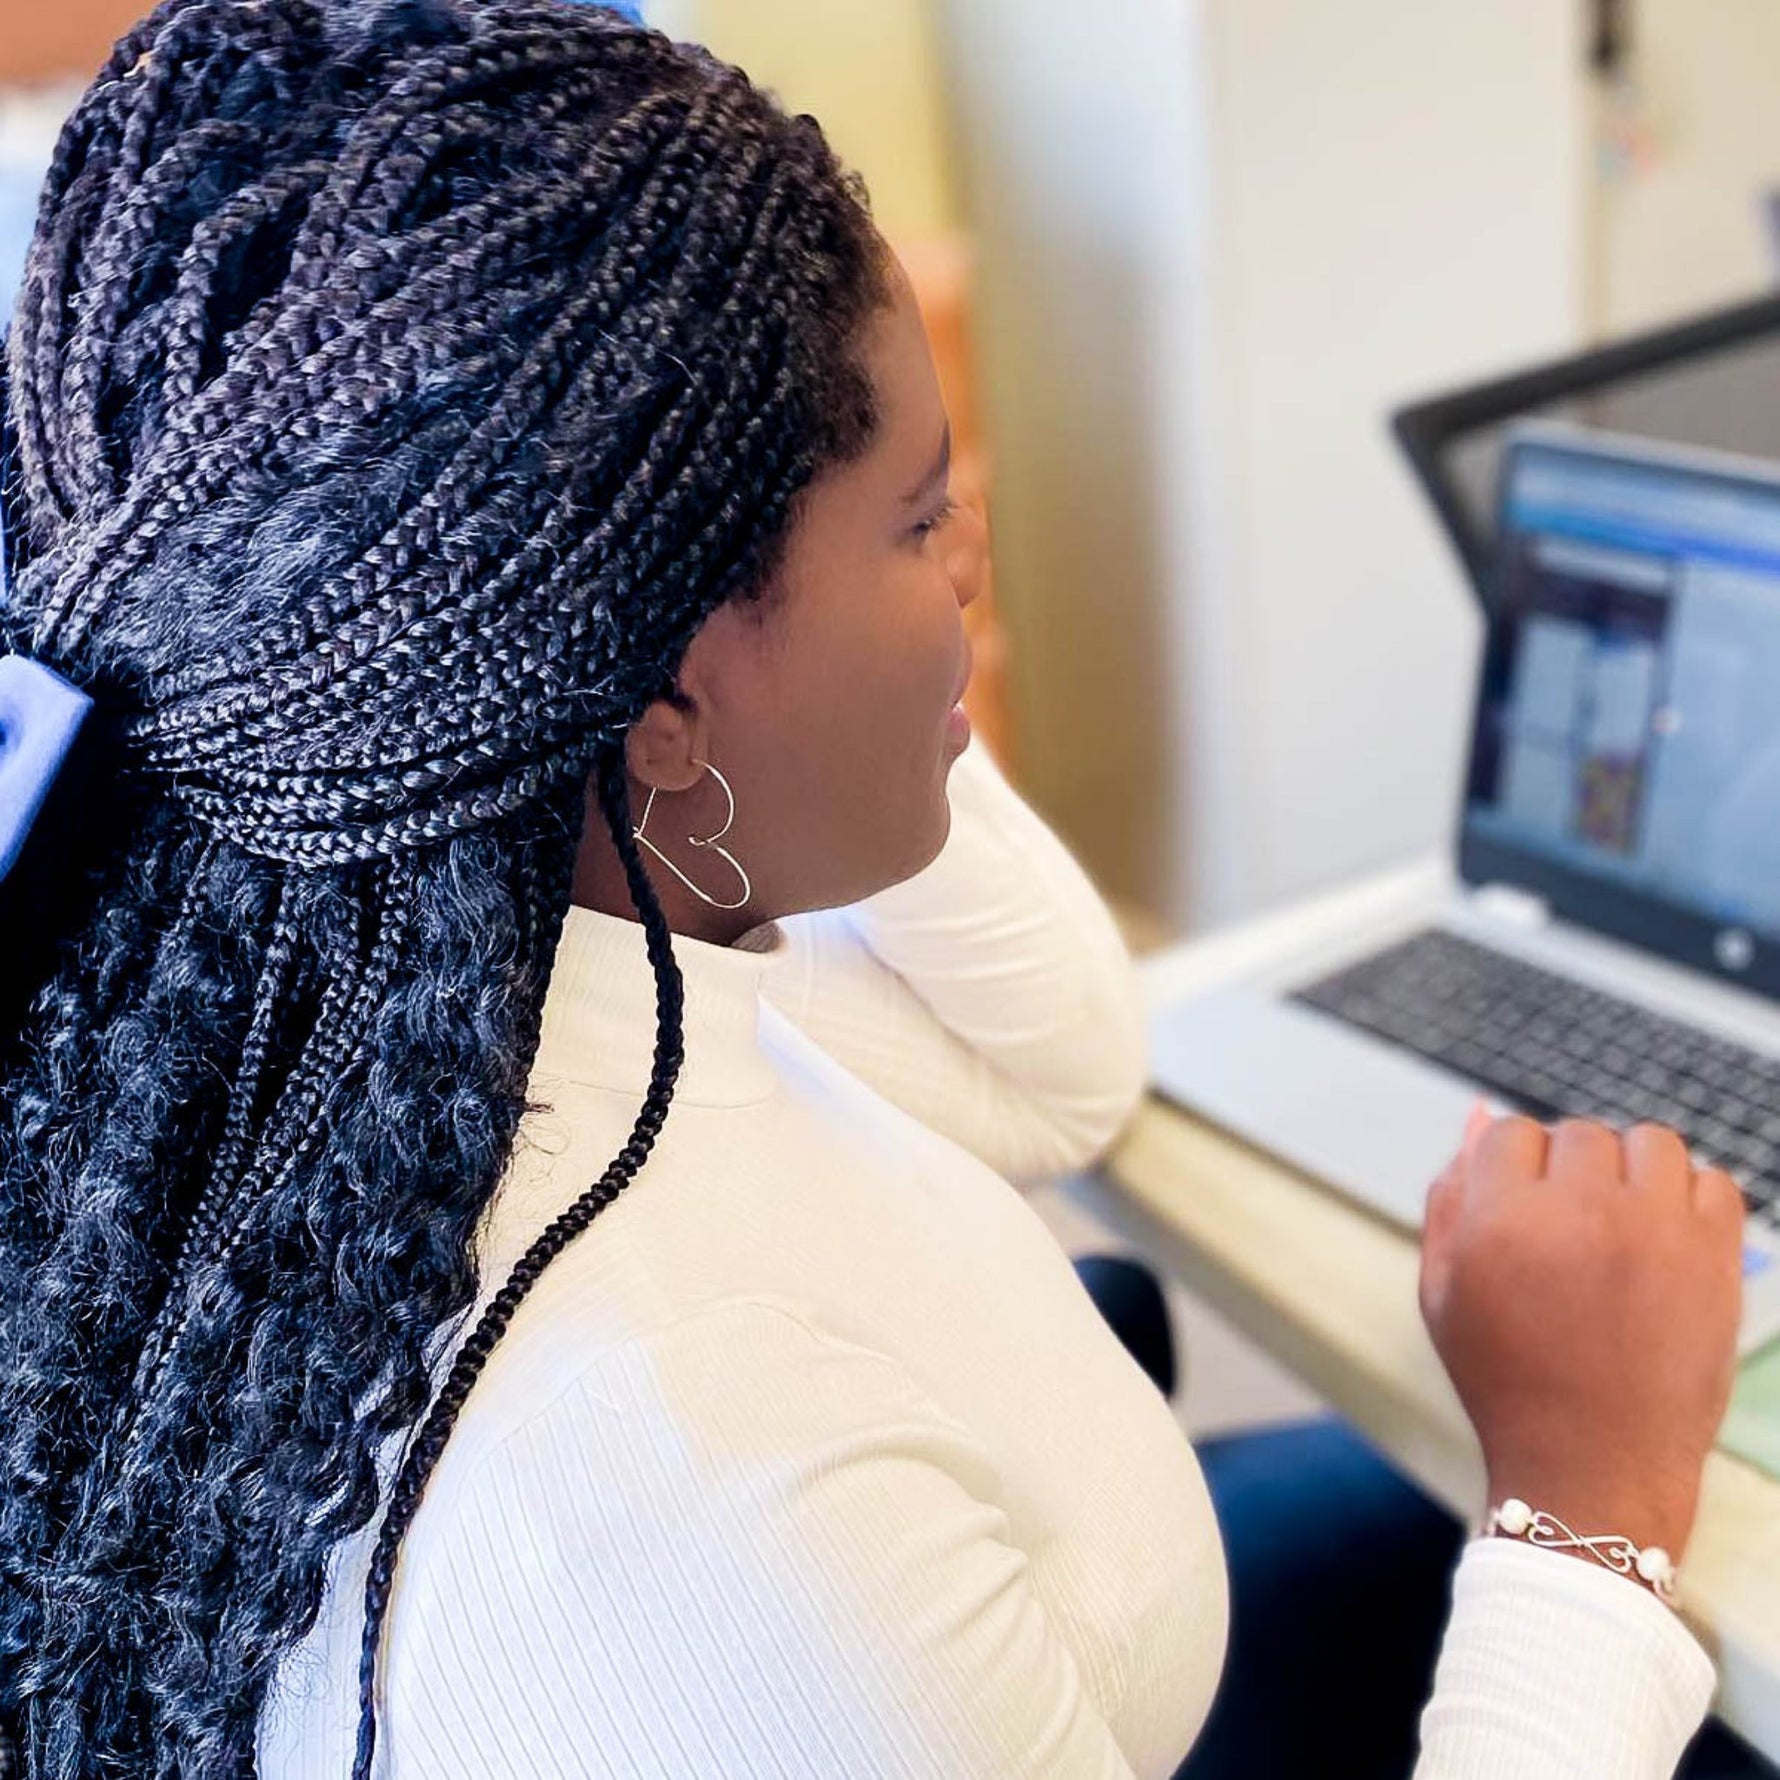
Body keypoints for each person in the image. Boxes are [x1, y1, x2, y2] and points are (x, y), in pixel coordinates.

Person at [0, 2, 1748, 1776]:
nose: (976, 555)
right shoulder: (694, 1522)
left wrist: (780, 678)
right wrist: (1583, 1498)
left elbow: (1056, 1072)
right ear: (665, 693)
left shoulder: (442, 971)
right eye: (922, 518)